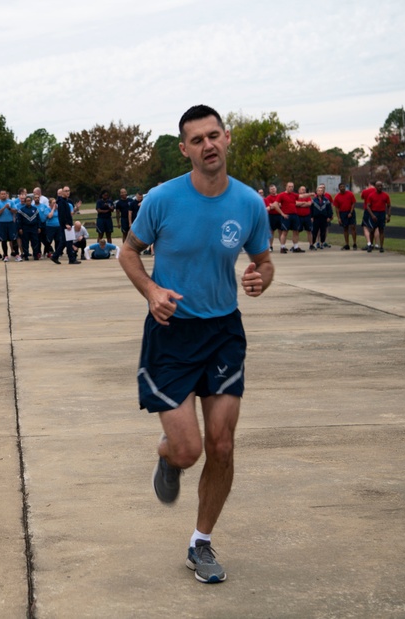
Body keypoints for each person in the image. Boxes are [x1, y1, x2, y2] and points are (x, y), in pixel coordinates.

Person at [119, 104, 273, 585]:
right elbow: (128, 252)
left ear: (226, 139)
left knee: (222, 445)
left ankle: (200, 543)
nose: (208, 145)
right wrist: (151, 292)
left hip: (224, 331)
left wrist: (260, 278)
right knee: (189, 450)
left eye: (214, 135)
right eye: (197, 139)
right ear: (184, 149)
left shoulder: (248, 204)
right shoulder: (163, 200)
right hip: (172, 332)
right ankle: (167, 456)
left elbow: (264, 261)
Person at [50, 187, 79, 265]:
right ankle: (71, 259)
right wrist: (66, 224)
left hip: (67, 224)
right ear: (62, 192)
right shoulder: (62, 202)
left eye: (68, 191)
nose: (68, 192)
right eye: (66, 191)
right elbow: (62, 215)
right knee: (68, 241)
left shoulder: (65, 201)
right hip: (65, 225)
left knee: (65, 242)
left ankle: (56, 256)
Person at [276, 181, 303, 253]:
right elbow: (276, 205)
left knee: (296, 231)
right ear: (286, 187)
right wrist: (282, 213)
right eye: (289, 186)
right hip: (286, 215)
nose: (291, 188)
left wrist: (310, 194)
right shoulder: (281, 195)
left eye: (292, 187)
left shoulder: (294, 195)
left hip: (294, 215)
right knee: (284, 232)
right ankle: (282, 247)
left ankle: (296, 247)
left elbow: (301, 196)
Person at [366, 181, 391, 253]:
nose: (380, 187)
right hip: (374, 213)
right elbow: (368, 206)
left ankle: (381, 246)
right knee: (372, 230)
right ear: (375, 187)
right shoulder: (371, 195)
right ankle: (370, 245)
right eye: (378, 186)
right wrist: (372, 215)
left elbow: (389, 206)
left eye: (381, 186)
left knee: (381, 230)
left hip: (382, 213)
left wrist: (388, 215)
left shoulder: (385, 195)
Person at [333, 182, 358, 250]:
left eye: (343, 187)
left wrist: (351, 212)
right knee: (345, 228)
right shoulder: (337, 196)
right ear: (339, 188)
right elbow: (336, 208)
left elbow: (353, 203)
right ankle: (347, 244)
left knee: (352, 227)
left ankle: (354, 243)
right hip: (342, 213)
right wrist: (339, 218)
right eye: (341, 187)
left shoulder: (350, 194)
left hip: (350, 212)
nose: (342, 188)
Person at [16, 194, 41, 261]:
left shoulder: (35, 209)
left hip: (34, 227)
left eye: (29, 201)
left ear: (31, 201)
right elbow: (19, 220)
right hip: (25, 228)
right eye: (27, 201)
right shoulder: (21, 210)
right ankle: (26, 255)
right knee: (25, 242)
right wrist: (20, 228)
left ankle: (35, 255)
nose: (28, 202)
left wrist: (39, 227)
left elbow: (38, 219)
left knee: (35, 242)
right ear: (25, 201)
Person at [309, 184, 333, 250]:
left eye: (321, 191)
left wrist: (329, 217)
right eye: (318, 190)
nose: (320, 192)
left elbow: (329, 209)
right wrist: (311, 217)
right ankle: (312, 243)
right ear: (316, 192)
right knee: (315, 231)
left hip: (324, 218)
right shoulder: (314, 200)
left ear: (323, 192)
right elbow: (311, 209)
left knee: (323, 231)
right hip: (316, 218)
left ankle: (322, 243)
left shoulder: (326, 200)